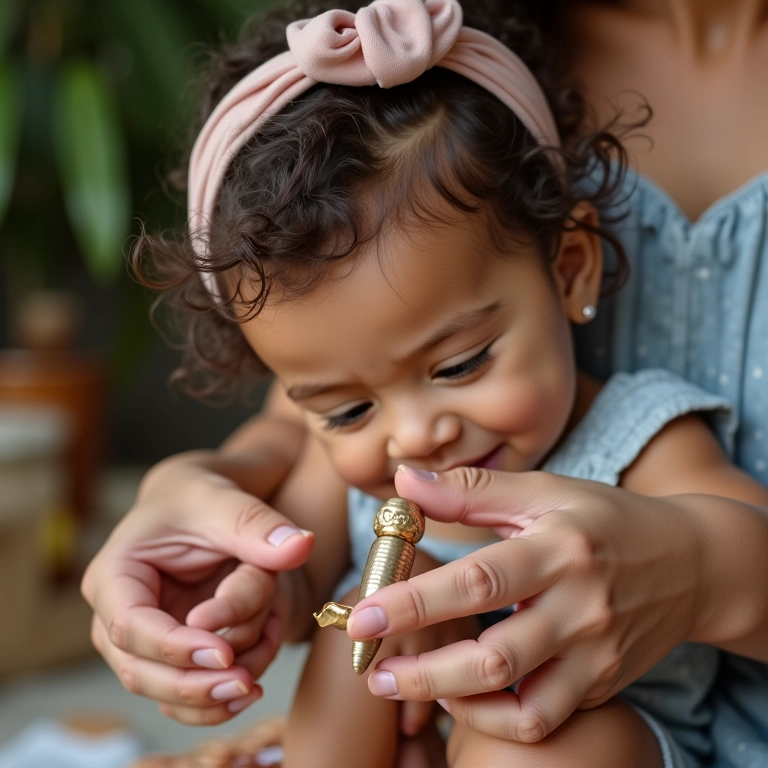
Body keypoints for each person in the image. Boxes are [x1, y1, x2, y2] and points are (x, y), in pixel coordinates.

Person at [81, 0, 768, 765]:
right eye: (346, 409)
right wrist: (243, 606)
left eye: (460, 365)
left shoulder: (636, 436)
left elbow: (748, 540)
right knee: (363, 635)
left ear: (571, 267)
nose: (411, 434)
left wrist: (695, 561)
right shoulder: (357, 467)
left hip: (635, 739)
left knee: (534, 745)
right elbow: (290, 569)